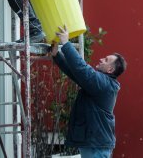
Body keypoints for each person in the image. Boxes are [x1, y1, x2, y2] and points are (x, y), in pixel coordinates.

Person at [51, 26, 126, 158]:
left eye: (106, 60)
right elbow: (76, 74)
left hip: (96, 145)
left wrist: (66, 44)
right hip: (94, 143)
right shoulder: (101, 84)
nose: (102, 59)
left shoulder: (104, 84)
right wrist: (57, 55)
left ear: (110, 70)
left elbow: (82, 69)